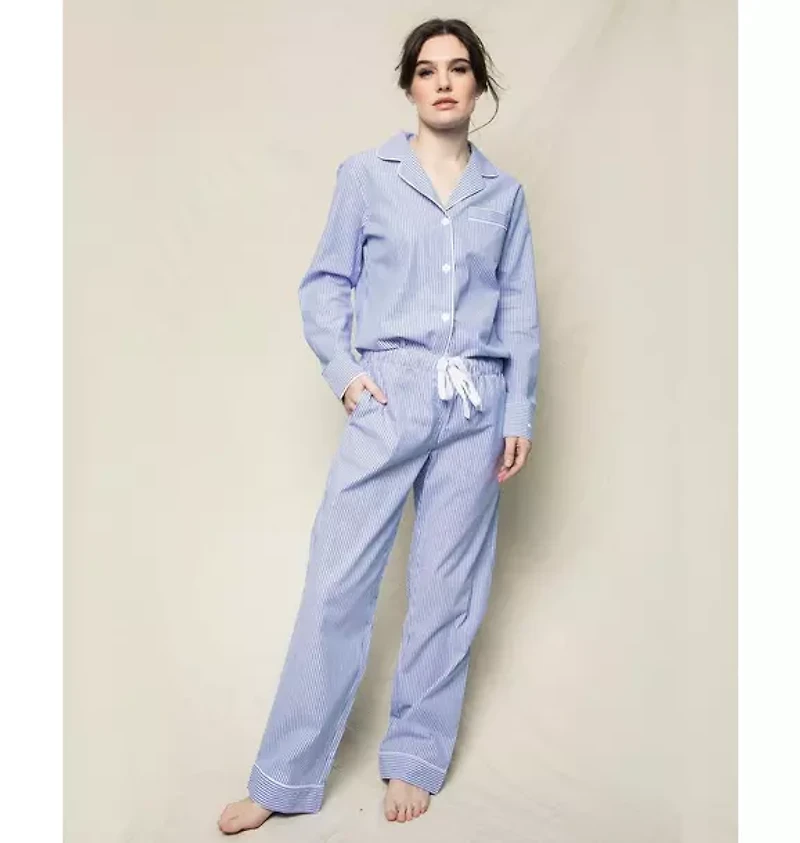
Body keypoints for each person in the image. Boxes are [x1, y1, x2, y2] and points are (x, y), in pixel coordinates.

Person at [218, 16, 540, 835]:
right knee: (336, 582)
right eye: (427, 69)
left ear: (478, 85)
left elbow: (518, 309)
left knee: (446, 591)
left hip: (476, 401)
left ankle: (415, 755)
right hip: (389, 395)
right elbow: (325, 283)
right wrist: (347, 374)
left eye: (458, 68)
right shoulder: (367, 176)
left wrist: (518, 408)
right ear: (408, 85)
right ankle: (285, 775)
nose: (443, 81)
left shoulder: (503, 197)